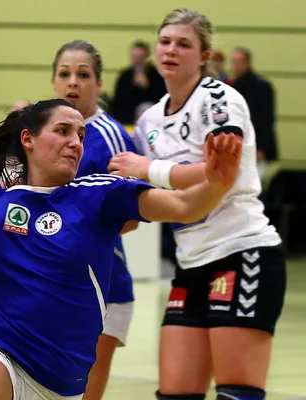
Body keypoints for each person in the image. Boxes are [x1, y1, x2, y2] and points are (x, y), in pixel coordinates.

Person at [0, 44, 242, 400]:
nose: (75, 142)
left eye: (80, 135)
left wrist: (216, 185)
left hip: (60, 382)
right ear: (28, 139)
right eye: (63, 131)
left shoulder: (98, 195)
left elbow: (184, 206)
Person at [107, 8, 285, 400]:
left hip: (241, 251)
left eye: (184, 44)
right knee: (175, 393)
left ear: (203, 56)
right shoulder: (150, 119)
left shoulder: (219, 98)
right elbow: (148, 185)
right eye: (165, 41)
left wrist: (148, 169)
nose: (171, 50)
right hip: (191, 264)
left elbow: (221, 170)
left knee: (236, 393)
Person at [50, 39, 138, 400]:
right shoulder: (40, 131)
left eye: (83, 75)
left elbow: (132, 215)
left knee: (82, 392)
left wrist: (74, 234)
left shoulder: (113, 137)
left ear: (99, 84)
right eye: (65, 74)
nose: (73, 82)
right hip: (48, 280)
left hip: (104, 287)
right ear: (53, 81)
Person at [110, 41, 167, 125]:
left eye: (141, 58)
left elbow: (162, 99)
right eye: (135, 57)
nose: (137, 61)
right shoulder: (125, 75)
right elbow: (118, 100)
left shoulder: (156, 75)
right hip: (127, 117)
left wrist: (147, 87)